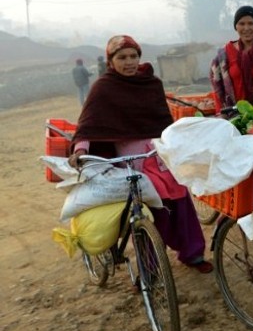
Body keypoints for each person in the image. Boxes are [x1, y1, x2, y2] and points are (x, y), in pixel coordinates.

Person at [68, 35, 213, 273]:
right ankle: (149, 269)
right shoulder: (103, 88)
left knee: (179, 198)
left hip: (158, 153)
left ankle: (192, 252)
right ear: (111, 60)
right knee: (147, 208)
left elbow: (164, 122)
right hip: (130, 160)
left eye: (133, 56)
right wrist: (80, 150)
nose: (129, 62)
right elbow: (88, 124)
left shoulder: (150, 83)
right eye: (122, 57)